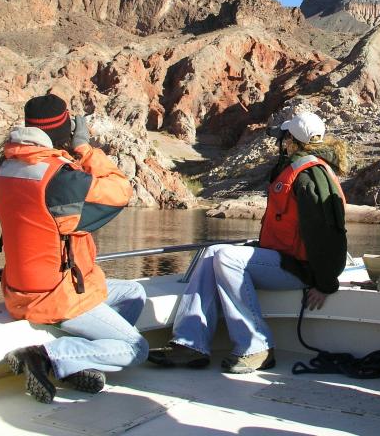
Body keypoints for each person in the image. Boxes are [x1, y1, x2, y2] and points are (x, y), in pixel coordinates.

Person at [149, 111, 348, 374]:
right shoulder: (300, 170)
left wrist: (325, 283)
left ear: (291, 140)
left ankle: (257, 346)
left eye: (286, 137)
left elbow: (327, 233)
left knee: (225, 256)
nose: (282, 142)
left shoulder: (311, 176)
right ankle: (190, 344)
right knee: (211, 253)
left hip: (302, 270)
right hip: (284, 261)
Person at [0, 94, 148, 404]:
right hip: (54, 295)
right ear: (63, 130)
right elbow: (121, 191)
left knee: (134, 292)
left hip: (19, 288)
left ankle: (79, 363)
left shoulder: (7, 166)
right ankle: (45, 356)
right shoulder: (58, 178)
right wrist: (85, 149)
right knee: (136, 348)